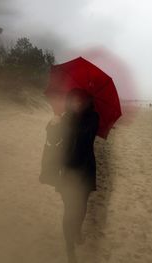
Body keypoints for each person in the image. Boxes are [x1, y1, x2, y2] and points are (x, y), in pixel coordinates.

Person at [46, 89, 99, 263]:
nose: (77, 104)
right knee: (70, 210)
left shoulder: (93, 118)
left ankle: (77, 230)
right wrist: (52, 125)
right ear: (69, 101)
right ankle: (69, 247)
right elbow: (53, 142)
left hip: (85, 169)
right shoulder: (64, 117)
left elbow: (85, 135)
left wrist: (65, 122)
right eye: (74, 101)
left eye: (81, 101)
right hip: (67, 170)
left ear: (86, 102)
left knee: (81, 207)